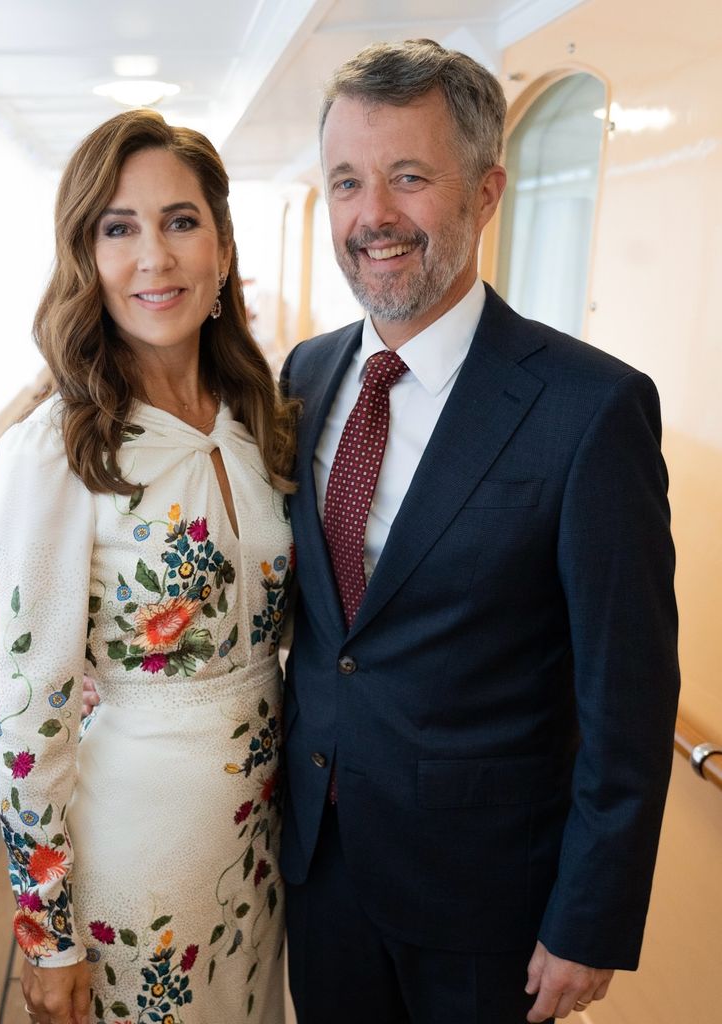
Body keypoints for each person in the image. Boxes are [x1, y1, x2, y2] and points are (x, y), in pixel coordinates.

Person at [279, 39, 680, 1024]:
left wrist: (589, 913)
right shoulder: (302, 376)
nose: (373, 215)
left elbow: (626, 694)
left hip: (486, 902)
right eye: (346, 182)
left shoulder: (588, 409)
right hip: (320, 874)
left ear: (487, 190)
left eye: (408, 177)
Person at [0, 108, 295, 1024]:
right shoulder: (54, 451)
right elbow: (26, 707)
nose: (153, 257)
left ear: (223, 248)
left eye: (180, 221)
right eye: (118, 228)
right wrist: (47, 936)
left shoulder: (258, 415)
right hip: (139, 843)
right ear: (86, 256)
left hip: (264, 832)